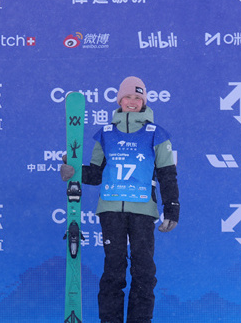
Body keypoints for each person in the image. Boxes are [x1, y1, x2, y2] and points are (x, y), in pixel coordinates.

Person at [60, 76, 179, 323]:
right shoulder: (106, 134)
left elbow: (167, 174)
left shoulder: (156, 134)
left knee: (144, 272)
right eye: (127, 97)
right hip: (111, 211)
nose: (132, 102)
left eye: (138, 97)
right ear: (119, 100)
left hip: (143, 211)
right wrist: (74, 170)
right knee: (113, 271)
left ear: (144, 101)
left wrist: (172, 209)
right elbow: (95, 173)